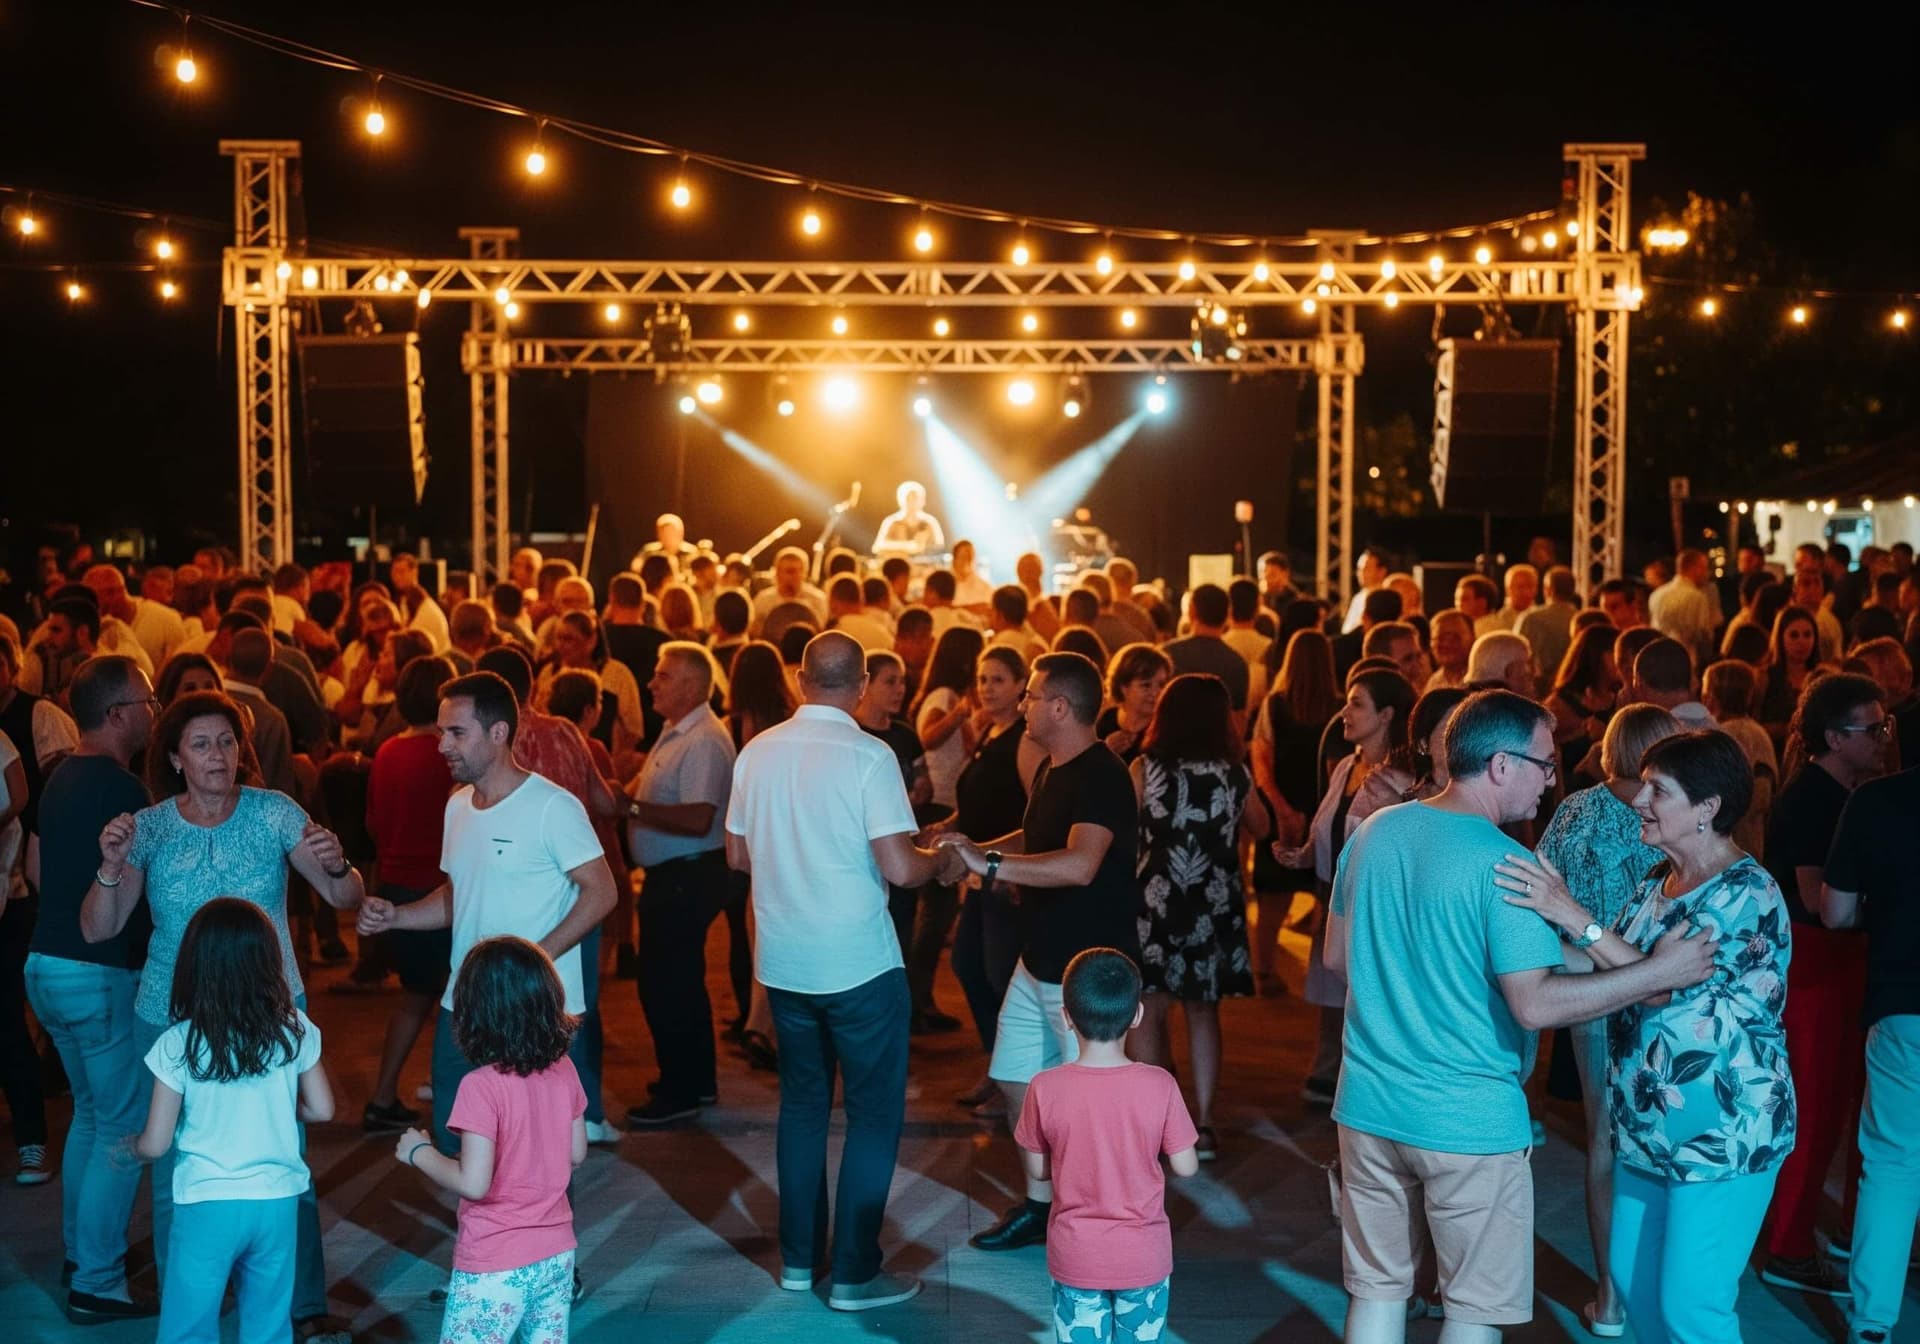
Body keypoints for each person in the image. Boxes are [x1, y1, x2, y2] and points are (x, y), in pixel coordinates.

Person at [1331, 692, 1718, 1344]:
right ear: (1501, 764)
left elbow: (1339, 957)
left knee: (1377, 1292)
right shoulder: (1507, 866)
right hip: (1468, 1119)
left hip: (1368, 1106)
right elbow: (1534, 1004)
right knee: (1474, 1309)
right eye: (1544, 763)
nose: (1551, 778)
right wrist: (1655, 974)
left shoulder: (1377, 831)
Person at [80, 689, 363, 1344]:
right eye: (202, 744)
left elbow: (344, 896)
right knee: (175, 1164)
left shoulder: (275, 812)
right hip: (171, 1014)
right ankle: (191, 1304)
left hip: (271, 1008)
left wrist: (340, 863)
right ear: (175, 758)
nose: (218, 755)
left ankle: (301, 1307)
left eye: (228, 742)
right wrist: (110, 868)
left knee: (284, 1155)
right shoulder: (148, 827)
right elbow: (99, 928)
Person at [723, 632, 959, 1310]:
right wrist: (941, 859)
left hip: (785, 964)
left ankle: (799, 1261)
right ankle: (855, 1272)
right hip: (858, 964)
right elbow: (900, 867)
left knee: (801, 1109)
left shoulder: (757, 751)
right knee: (872, 1115)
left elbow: (736, 856)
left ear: (800, 680)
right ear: (858, 688)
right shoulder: (869, 755)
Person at [353, 671, 616, 1168]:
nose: (442, 745)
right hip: (465, 1004)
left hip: (536, 1011)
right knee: (457, 1142)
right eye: (441, 732)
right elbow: (461, 894)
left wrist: (535, 960)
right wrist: (397, 916)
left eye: (456, 732)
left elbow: (602, 891)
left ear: (498, 733)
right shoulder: (457, 807)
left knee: (535, 1157)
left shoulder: (552, 807)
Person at [939, 651, 1140, 1253]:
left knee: (1089, 1107)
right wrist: (978, 849)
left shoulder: (1102, 775)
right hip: (1040, 959)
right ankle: (1041, 1205)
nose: (1021, 704)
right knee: (1012, 1078)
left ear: (1059, 706)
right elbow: (1038, 837)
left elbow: (1080, 864)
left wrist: (989, 865)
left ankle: (1101, 1223)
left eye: (1029, 695)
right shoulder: (1054, 766)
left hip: (1087, 970)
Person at [1531, 703, 1683, 1336]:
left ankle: (1610, 1297)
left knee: (1604, 1144)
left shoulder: (1576, 810)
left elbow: (1539, 888)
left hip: (1588, 986)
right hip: (1667, 983)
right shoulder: (1676, 812)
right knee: (1666, 1135)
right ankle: (1663, 1283)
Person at [127, 899, 335, 1344]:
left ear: (194, 964)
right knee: (268, 1325)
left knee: (189, 1327)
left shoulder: (178, 1042)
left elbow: (157, 1143)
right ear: (269, 961)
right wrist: (280, 1109)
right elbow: (322, 1110)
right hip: (277, 1200)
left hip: (207, 1202)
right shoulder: (294, 1028)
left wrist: (132, 1147)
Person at [21, 657, 156, 1322]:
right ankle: (97, 1282)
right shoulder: (123, 788)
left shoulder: (59, 778)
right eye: (148, 701)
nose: (155, 712)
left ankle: (82, 1256)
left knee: (90, 1117)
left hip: (45, 964)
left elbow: (36, 867)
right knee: (123, 1130)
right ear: (118, 713)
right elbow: (137, 889)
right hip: (97, 970)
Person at [1758, 673, 1887, 1296]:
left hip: (1839, 960)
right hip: (1816, 964)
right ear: (1835, 738)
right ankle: (1787, 1245)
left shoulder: (1848, 792)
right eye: (1873, 728)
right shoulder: (1811, 798)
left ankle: (1830, 1235)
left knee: (1839, 1105)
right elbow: (1815, 900)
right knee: (1813, 1107)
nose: (1884, 737)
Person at [393, 937, 586, 1344]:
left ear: (474, 1012)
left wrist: (420, 1153)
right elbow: (576, 1152)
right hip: (557, 1254)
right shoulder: (564, 1068)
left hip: (496, 1261)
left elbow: (474, 1183)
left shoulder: (480, 1086)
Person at [1014, 948, 1199, 1344]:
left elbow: (1038, 1171)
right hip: (1143, 1255)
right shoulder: (1160, 1084)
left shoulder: (1044, 1088)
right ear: (1137, 1015)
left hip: (1076, 1255)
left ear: (1066, 1016)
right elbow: (1186, 1166)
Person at [1126, 674, 1267, 1160]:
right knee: (1203, 1011)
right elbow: (1262, 826)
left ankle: (1158, 1122)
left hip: (1156, 899)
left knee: (1149, 1009)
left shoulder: (1145, 769)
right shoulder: (1234, 773)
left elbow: (1124, 830)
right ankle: (1204, 1124)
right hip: (1214, 902)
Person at [1276, 667, 1416, 1106]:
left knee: (1371, 993)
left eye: (1357, 703)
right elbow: (1329, 825)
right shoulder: (1347, 767)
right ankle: (1332, 1072)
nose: (1345, 712)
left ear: (1387, 715)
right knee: (1333, 988)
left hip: (1378, 909)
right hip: (1336, 898)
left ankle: (1370, 1084)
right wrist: (1304, 855)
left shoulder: (1403, 780)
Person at [1820, 762, 1920, 1342]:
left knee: (1893, 1164)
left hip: (1904, 1002)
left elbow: (1835, 911)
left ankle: (1873, 1323)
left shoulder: (1877, 800)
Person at [624, 643, 736, 1126]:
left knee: (666, 982)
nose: (652, 683)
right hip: (674, 874)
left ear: (692, 686)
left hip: (687, 874)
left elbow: (697, 817)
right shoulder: (677, 730)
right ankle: (696, 1079)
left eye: (663, 676)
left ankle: (680, 1089)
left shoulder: (704, 740)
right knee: (679, 980)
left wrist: (628, 808)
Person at [938, 646, 1043, 1106]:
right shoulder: (988, 730)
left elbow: (1037, 813)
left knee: (1003, 977)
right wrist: (949, 825)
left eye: (998, 679)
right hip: (981, 874)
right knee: (968, 965)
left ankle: (1020, 1077)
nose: (987, 688)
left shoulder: (1025, 739)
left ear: (1021, 685)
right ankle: (1000, 1067)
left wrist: (1009, 866)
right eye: (982, 679)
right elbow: (981, 798)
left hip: (1005, 876)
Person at [360, 655, 456, 1134]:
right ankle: (450, 1097)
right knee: (452, 1001)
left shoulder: (387, 752)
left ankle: (384, 1096)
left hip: (395, 884)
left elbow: (373, 823)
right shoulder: (447, 756)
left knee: (414, 998)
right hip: (439, 888)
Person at [855, 651, 933, 980]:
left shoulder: (905, 735)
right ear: (866, 685)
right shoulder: (855, 736)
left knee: (901, 935)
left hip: (902, 851)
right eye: (890, 681)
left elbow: (924, 782)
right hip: (863, 859)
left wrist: (918, 792)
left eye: (902, 681)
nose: (900, 689)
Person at [1165, 583, 1250, 720]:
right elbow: (1238, 721)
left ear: (1191, 612)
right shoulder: (1237, 664)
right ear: (1228, 615)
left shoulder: (1167, 655)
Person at [1758, 605, 1827, 749]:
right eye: (1794, 635)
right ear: (1780, 638)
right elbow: (1754, 725)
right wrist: (1784, 728)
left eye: (1808, 635)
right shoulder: (1765, 677)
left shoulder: (1822, 676)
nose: (1802, 641)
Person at [1096, 642, 1173, 764]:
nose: (1156, 693)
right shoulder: (1107, 720)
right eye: (1146, 685)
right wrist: (1106, 751)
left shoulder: (1165, 728)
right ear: (1123, 687)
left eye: (1161, 685)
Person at [1650, 549, 1720, 669]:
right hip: (1686, 663)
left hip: (1658, 661)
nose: (1707, 573)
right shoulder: (1697, 598)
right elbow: (1703, 637)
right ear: (1695, 569)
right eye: (1704, 568)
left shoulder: (1656, 595)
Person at [1517, 566, 1581, 692]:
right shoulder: (1581, 618)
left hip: (1538, 689)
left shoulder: (1530, 618)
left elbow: (1516, 653)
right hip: (1574, 688)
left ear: (1548, 589)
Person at [873, 481, 946, 558]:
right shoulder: (892, 521)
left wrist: (924, 547)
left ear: (923, 501)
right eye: (908, 498)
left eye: (915, 498)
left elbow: (939, 547)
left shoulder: (930, 522)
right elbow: (877, 547)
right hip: (899, 563)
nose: (912, 502)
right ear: (900, 500)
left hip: (924, 563)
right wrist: (906, 546)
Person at [1425, 608, 1475, 690]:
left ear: (1473, 637)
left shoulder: (1482, 679)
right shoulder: (1434, 683)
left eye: (1454, 637)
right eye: (1440, 638)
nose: (1446, 644)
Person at [1488, 563, 1539, 632]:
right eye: (1520, 587)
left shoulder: (1543, 618)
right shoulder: (1497, 623)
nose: (1526, 592)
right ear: (1508, 589)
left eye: (1530, 586)